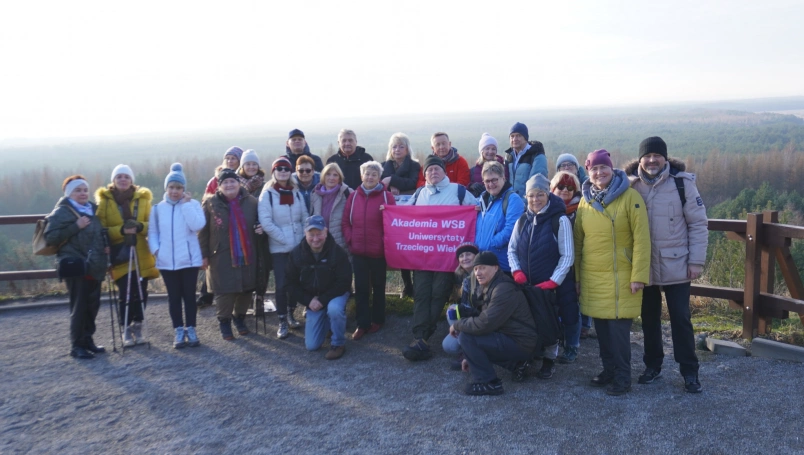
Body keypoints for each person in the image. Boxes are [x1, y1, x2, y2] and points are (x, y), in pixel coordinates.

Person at [625, 136, 708, 393]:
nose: (652, 160)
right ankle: (653, 366)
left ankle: (689, 372)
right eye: (647, 156)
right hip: (644, 266)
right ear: (640, 159)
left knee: (681, 320)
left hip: (677, 265)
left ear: (665, 158)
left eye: (657, 156)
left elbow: (698, 224)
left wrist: (695, 261)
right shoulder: (629, 186)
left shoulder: (682, 184)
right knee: (649, 320)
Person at [574, 149, 650, 396]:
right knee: (603, 332)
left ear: (612, 168)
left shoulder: (630, 197)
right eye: (594, 169)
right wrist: (577, 278)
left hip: (621, 276)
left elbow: (642, 238)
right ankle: (608, 370)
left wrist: (639, 275)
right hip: (594, 277)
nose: (599, 173)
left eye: (603, 167)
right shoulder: (585, 201)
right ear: (588, 172)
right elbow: (578, 242)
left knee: (618, 334)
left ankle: (622, 377)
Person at [403, 155, 478, 361]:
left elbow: (476, 209)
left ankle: (425, 336)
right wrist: (387, 211)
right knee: (421, 294)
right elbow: (404, 216)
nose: (433, 173)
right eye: (429, 170)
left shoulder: (458, 191)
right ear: (424, 174)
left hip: (448, 257)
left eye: (437, 169)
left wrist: (477, 209)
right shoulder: (419, 194)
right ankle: (420, 337)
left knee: (438, 294)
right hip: (423, 256)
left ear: (444, 171)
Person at [507, 174, 574, 378]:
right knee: (529, 322)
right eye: (531, 196)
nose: (535, 200)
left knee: (549, 322)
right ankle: (530, 356)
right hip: (527, 284)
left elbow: (568, 255)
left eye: (540, 194)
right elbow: (511, 249)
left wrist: (554, 280)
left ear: (548, 194)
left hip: (549, 284)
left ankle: (549, 360)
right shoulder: (522, 220)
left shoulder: (559, 220)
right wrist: (516, 271)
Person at [449, 252, 537, 396]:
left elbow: (484, 324)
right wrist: (470, 357)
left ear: (496, 268)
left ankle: (488, 383)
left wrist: (457, 325)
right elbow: (484, 320)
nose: (478, 272)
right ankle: (517, 365)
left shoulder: (503, 289)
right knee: (471, 336)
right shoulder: (490, 285)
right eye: (476, 269)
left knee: (467, 336)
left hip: (522, 342)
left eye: (483, 268)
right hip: (511, 337)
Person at [44, 175, 109, 359]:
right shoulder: (62, 212)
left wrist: (105, 246)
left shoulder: (93, 210)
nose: (83, 193)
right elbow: (51, 238)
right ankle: (76, 345)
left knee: (92, 305)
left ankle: (88, 340)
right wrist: (76, 226)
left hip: (94, 265)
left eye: (85, 190)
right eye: (78, 190)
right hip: (75, 265)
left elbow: (98, 233)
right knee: (79, 306)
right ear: (69, 193)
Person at [96, 164, 159, 347]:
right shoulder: (105, 202)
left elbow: (152, 225)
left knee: (141, 292)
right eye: (119, 177)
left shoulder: (143, 200)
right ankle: (125, 328)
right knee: (125, 293)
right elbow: (100, 229)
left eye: (126, 177)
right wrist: (121, 230)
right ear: (113, 181)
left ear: (132, 180)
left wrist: (139, 227)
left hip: (141, 253)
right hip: (119, 254)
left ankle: (138, 326)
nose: (123, 180)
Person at [199, 168, 262, 340]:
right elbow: (203, 232)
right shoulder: (211, 203)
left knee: (247, 287)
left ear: (238, 183)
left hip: (248, 253)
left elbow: (259, 223)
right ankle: (224, 321)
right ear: (219, 186)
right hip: (220, 254)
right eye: (225, 182)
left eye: (232, 181)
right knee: (224, 290)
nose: (229, 185)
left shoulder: (252, 202)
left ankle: (239, 318)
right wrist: (203, 254)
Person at [148, 163, 205, 348]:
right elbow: (153, 232)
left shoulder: (193, 205)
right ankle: (178, 330)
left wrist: (186, 205)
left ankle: (191, 328)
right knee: (174, 298)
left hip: (188, 261)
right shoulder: (157, 209)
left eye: (178, 187)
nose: (175, 191)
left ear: (184, 189)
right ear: (166, 188)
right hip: (167, 262)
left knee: (189, 296)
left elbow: (198, 225)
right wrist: (157, 250)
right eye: (171, 187)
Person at [342, 161, 396, 340]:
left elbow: (393, 223)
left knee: (379, 287)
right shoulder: (353, 197)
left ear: (379, 177)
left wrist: (383, 243)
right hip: (358, 251)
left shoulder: (387, 197)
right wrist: (351, 240)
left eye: (374, 174)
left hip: (378, 252)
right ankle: (362, 323)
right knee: (362, 288)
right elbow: (345, 222)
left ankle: (379, 319)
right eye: (367, 174)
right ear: (361, 176)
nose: (370, 177)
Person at [286, 216, 353, 360]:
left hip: (335, 294)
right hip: (312, 299)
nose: (315, 239)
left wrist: (322, 300)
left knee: (334, 309)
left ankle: (338, 344)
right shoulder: (296, 254)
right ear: (305, 233)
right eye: (312, 234)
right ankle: (328, 325)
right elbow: (290, 284)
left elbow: (345, 282)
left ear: (326, 232)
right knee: (312, 346)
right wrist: (308, 301)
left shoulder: (337, 252)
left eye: (319, 234)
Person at [258, 157, 309, 338]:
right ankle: (281, 320)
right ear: (273, 172)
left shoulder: (295, 192)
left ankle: (291, 313)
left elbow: (304, 216)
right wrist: (285, 239)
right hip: (279, 248)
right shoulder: (268, 194)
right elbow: (266, 222)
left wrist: (302, 238)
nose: (282, 172)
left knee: (296, 282)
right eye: (278, 169)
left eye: (286, 169)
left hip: (297, 246)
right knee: (281, 284)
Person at [200, 146, 242, 308]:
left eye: (234, 158)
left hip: (238, 223)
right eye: (228, 158)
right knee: (216, 262)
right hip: (218, 220)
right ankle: (207, 295)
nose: (231, 161)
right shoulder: (214, 180)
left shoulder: (242, 177)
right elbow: (206, 200)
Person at [380, 132, 420, 298]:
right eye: (394, 146)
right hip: (392, 218)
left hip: (410, 215)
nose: (397, 149)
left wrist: (392, 180)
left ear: (407, 149)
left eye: (401, 146)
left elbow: (412, 184)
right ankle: (407, 286)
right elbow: (380, 185)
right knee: (399, 248)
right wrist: (390, 184)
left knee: (413, 248)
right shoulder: (383, 165)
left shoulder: (415, 166)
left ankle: (417, 286)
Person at [549, 171, 585, 361]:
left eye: (570, 187)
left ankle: (571, 346)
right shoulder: (545, 209)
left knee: (571, 308)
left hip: (571, 268)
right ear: (552, 189)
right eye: (560, 186)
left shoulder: (582, 210)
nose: (565, 190)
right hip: (548, 267)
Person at [475, 161, 524, 274]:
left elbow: (512, 229)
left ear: (503, 178)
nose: (491, 184)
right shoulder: (481, 200)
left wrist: (490, 244)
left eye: (494, 180)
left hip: (502, 264)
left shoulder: (513, 199)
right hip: (483, 263)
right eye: (487, 181)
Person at [442, 242, 479, 369]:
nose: (465, 258)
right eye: (461, 256)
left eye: (468, 254)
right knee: (448, 346)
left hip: (482, 319)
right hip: (468, 317)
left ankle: (469, 353)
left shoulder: (482, 274)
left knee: (453, 310)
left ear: (477, 256)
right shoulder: (462, 276)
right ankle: (467, 346)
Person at [311, 163, 352, 253]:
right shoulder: (315, 193)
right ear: (323, 177)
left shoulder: (347, 192)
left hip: (341, 243)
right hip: (320, 243)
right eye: (328, 174)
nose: (331, 178)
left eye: (335, 175)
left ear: (340, 178)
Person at [503, 122, 547, 198]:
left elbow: (536, 184)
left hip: (529, 204)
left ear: (525, 138)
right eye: (512, 136)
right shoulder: (509, 156)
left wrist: (524, 203)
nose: (514, 139)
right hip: (511, 202)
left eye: (518, 136)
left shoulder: (536, 155)